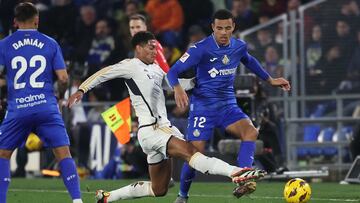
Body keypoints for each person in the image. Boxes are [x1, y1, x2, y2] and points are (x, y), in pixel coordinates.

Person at [66, 31, 265, 203]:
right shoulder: (130, 65)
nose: (155, 52)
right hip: (153, 130)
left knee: (159, 189)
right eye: (151, 48)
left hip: (158, 131)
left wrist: (201, 80)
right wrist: (82, 89)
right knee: (191, 152)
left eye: (156, 48)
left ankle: (107, 197)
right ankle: (235, 172)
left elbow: (175, 85)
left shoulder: (156, 69)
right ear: (138, 48)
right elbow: (104, 73)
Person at [166, 9, 291, 202]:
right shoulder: (200, 48)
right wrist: (177, 88)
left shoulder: (239, 46)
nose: (223, 32)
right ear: (213, 28)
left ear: (233, 27)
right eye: (219, 28)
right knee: (194, 154)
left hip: (227, 105)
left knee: (250, 132)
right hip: (203, 107)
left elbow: (249, 61)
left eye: (227, 28)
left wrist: (270, 79)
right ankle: (182, 196)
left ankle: (243, 179)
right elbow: (172, 72)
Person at [0, 2, 83, 203]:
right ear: (37, 20)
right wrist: (61, 96)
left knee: (3, 155)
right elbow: (63, 78)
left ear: (14, 22)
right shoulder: (50, 43)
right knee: (63, 153)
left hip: (18, 109)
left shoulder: (4, 44)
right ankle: (77, 200)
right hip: (46, 106)